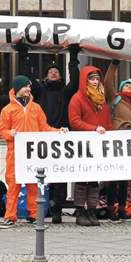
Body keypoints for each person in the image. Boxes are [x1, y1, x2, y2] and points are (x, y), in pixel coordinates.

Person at [0, 75, 57, 228]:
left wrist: (58, 132)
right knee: (13, 185)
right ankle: (10, 216)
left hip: (32, 154)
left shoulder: (36, 108)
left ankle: (34, 215)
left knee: (33, 184)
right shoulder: (7, 110)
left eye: (29, 87)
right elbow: (2, 130)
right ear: (18, 88)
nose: (29, 89)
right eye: (26, 86)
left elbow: (44, 128)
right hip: (15, 154)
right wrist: (8, 134)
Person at [28, 55, 75, 223]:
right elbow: (29, 78)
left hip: (61, 137)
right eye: (50, 71)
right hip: (43, 136)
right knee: (42, 174)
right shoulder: (40, 90)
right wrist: (27, 56)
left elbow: (75, 80)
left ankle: (57, 209)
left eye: (56, 71)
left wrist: (73, 57)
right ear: (46, 75)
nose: (53, 73)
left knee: (60, 176)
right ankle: (41, 207)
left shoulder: (66, 91)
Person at [67, 63, 113, 226]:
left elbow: (107, 121)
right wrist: (93, 128)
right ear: (84, 80)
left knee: (94, 179)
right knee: (81, 178)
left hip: (97, 145)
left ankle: (92, 211)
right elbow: (74, 121)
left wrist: (108, 133)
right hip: (82, 145)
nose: (94, 81)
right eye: (91, 78)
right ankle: (80, 211)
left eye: (96, 78)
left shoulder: (101, 98)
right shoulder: (77, 99)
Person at [108, 75, 131, 221]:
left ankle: (122, 208)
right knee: (112, 178)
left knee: (124, 179)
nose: (129, 88)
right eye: (126, 86)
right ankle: (110, 208)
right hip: (116, 140)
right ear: (121, 88)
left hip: (130, 143)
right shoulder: (116, 99)